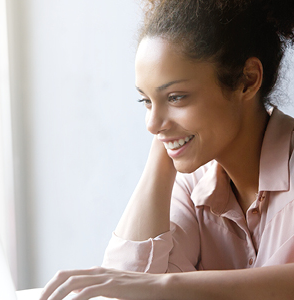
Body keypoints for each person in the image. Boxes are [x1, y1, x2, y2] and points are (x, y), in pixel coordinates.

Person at [40, 0, 294, 299]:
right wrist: (165, 148)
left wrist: (168, 286)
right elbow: (126, 286)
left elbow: (145, 285)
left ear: (247, 81)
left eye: (176, 97)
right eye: (146, 101)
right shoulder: (192, 187)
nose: (151, 123)